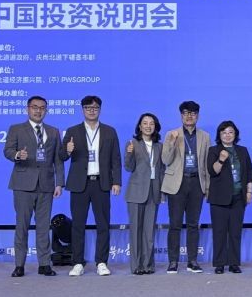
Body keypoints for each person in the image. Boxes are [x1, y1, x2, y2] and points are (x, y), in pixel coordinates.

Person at [61, 95, 122, 277]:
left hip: (101, 183)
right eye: (88, 108)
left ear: (100, 110)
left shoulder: (109, 131)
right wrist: (67, 151)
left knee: (103, 224)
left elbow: (116, 159)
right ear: (82, 110)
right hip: (79, 184)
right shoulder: (72, 131)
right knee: (78, 225)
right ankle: (77, 263)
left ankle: (101, 262)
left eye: (95, 108)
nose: (91, 111)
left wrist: (116, 181)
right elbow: (61, 156)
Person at [3, 95, 65, 277]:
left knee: (44, 227)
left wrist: (59, 183)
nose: (38, 111)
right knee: (22, 225)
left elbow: (58, 160)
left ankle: (44, 264)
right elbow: (7, 150)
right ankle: (19, 265)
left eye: (42, 108)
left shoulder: (53, 132)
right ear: (27, 109)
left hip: (46, 184)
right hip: (23, 184)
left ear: (46, 110)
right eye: (35, 107)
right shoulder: (16, 129)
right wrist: (17, 155)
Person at [161, 101, 210, 274]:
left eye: (193, 113)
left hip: (197, 182)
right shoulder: (171, 134)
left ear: (198, 116)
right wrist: (172, 143)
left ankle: (192, 261)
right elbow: (165, 160)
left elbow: (206, 163)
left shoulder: (205, 136)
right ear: (181, 115)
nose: (189, 116)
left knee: (193, 224)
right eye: (186, 113)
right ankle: (173, 261)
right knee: (175, 224)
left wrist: (207, 187)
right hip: (177, 183)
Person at [207, 120, 252, 274]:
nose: (227, 135)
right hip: (219, 199)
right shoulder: (213, 150)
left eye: (230, 132)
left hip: (238, 197)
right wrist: (221, 159)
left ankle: (234, 263)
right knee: (219, 232)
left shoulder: (242, 151)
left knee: (235, 232)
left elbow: (250, 173)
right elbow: (213, 171)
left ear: (235, 134)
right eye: (224, 132)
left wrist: (249, 192)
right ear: (219, 135)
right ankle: (220, 264)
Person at [124, 113, 164, 275]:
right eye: (145, 123)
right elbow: (128, 167)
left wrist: (162, 193)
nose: (148, 126)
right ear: (139, 126)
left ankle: (148, 265)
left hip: (153, 191)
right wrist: (129, 153)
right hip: (136, 192)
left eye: (151, 123)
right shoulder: (132, 143)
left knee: (149, 231)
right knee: (136, 230)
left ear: (155, 127)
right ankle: (136, 266)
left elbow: (161, 170)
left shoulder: (159, 146)